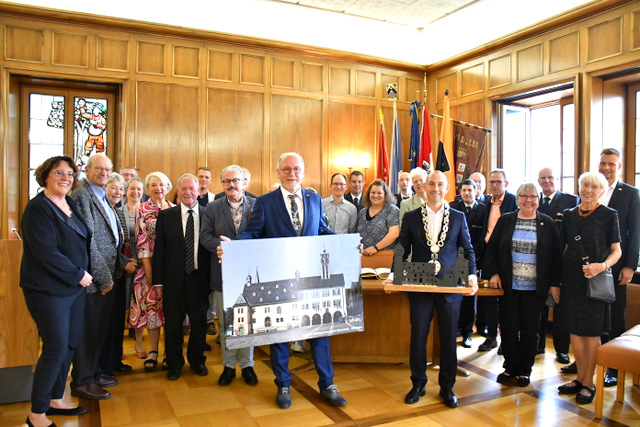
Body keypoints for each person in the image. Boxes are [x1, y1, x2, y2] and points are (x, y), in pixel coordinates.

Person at [234, 152, 347, 409]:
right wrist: (232, 248)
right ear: (278, 172)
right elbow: (251, 232)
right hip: (281, 277)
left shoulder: (314, 198)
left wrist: (346, 243)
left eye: (296, 169)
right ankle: (283, 384)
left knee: (320, 332)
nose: (291, 174)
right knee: (281, 334)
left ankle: (327, 384)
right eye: (286, 169)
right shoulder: (265, 202)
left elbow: (321, 230)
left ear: (302, 172)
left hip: (310, 276)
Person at [386, 171, 478, 408]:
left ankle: (447, 387)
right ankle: (418, 383)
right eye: (431, 184)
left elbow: (468, 250)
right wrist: (392, 275)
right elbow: (401, 249)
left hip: (450, 284)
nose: (435, 188)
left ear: (447, 188)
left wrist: (471, 275)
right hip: (419, 283)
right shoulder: (412, 217)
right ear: (424, 187)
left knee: (449, 337)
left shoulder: (457, 217)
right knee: (418, 337)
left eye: (440, 185)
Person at [21, 156, 92, 427]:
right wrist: (79, 274)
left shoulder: (68, 202)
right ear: (46, 176)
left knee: (70, 344)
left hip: (74, 289)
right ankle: (36, 414)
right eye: (59, 173)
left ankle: (54, 399)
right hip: (48, 291)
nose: (66, 178)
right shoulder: (38, 208)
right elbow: (46, 252)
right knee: (55, 348)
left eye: (70, 174)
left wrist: (81, 277)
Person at [483, 182, 562, 387]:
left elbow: (556, 258)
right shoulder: (506, 220)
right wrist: (493, 274)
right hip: (509, 286)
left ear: (538, 199)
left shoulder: (547, 223)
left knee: (531, 330)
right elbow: (491, 250)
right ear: (517, 199)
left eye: (532, 196)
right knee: (508, 328)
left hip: (536, 289)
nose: (528, 200)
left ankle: (524, 371)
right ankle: (510, 368)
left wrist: (555, 284)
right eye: (523, 196)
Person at [556, 172, 621, 404]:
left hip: (595, 281)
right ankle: (580, 379)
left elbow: (617, 251)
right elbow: (561, 249)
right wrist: (557, 282)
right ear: (579, 187)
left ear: (601, 191)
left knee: (592, 334)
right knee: (575, 331)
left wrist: (601, 266)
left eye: (594, 186)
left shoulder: (609, 215)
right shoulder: (570, 216)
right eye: (585, 185)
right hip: (572, 280)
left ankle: (589, 382)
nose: (588, 190)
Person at [70, 153, 125, 400]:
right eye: (99, 169)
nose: (103, 173)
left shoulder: (102, 196)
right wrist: (103, 278)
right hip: (94, 279)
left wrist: (121, 265)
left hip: (108, 275)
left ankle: (93, 373)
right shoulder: (82, 195)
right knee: (89, 331)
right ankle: (82, 380)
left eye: (108, 169)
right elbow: (88, 240)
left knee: (99, 330)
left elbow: (112, 239)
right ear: (88, 171)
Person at [201, 165, 259, 386]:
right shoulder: (213, 208)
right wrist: (224, 247)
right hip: (222, 273)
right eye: (227, 181)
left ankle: (247, 365)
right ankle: (228, 365)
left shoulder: (257, 206)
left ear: (244, 182)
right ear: (222, 184)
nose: (232, 185)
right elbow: (205, 236)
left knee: (249, 321)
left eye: (236, 180)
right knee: (226, 323)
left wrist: (240, 248)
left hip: (250, 277)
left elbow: (263, 234)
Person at [153, 174, 211, 380]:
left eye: (192, 189)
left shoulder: (208, 215)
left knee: (199, 324)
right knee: (173, 325)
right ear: (177, 191)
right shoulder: (166, 216)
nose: (188, 193)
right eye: (183, 189)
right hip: (173, 280)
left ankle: (197, 361)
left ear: (199, 191)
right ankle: (174, 363)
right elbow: (159, 251)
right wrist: (157, 281)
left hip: (199, 280)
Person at [597, 148, 640, 387]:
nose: (606, 168)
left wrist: (630, 266)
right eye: (603, 163)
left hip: (618, 266)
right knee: (590, 312)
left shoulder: (631, 194)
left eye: (611, 164)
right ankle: (589, 358)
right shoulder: (592, 188)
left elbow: (635, 233)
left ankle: (614, 367)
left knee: (615, 314)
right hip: (590, 266)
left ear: (619, 166)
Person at [129, 172, 174, 372]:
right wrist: (149, 272)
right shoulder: (142, 209)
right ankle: (154, 351)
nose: (158, 188)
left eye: (162, 185)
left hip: (171, 268)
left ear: (168, 187)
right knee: (152, 310)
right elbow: (142, 243)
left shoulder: (174, 209)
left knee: (171, 312)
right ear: (147, 189)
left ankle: (169, 352)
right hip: (150, 267)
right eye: (153, 185)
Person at [536, 167, 578, 364]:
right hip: (538, 262)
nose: (547, 181)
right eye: (543, 178)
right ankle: (538, 345)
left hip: (561, 262)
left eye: (550, 177)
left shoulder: (570, 201)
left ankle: (562, 350)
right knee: (538, 306)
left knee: (560, 307)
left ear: (557, 179)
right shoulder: (534, 201)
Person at [99, 173, 137, 378]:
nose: (118, 192)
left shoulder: (117, 212)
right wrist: (125, 264)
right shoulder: (102, 212)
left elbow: (120, 244)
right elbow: (104, 248)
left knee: (116, 322)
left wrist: (125, 264)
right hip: (105, 274)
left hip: (118, 274)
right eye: (114, 188)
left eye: (121, 189)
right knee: (105, 324)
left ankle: (114, 361)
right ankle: (103, 367)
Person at [478, 169, 517, 352]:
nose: (494, 185)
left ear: (506, 184)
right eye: (492, 182)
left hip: (508, 256)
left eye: (498, 182)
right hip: (488, 255)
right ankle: (491, 336)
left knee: (507, 300)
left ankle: (505, 339)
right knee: (489, 300)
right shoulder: (486, 203)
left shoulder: (513, 202)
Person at [450, 179, 487, 348]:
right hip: (453, 260)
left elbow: (482, 238)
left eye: (470, 190)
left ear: (476, 191)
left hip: (474, 260)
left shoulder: (484, 211)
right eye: (463, 190)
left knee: (470, 300)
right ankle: (455, 329)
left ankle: (467, 333)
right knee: (454, 296)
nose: (466, 193)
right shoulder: (452, 208)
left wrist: (476, 260)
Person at [119, 177, 146, 357]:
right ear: (125, 191)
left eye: (139, 189)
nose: (135, 192)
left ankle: (138, 344)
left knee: (139, 304)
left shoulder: (146, 212)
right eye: (132, 189)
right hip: (121, 264)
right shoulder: (117, 211)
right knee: (120, 307)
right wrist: (124, 261)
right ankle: (117, 347)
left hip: (142, 264)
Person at [357, 179, 400, 256]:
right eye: (373, 193)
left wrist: (375, 248)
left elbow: (394, 234)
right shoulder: (362, 212)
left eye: (379, 193)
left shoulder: (392, 210)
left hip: (384, 256)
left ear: (385, 195)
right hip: (364, 256)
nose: (375, 195)